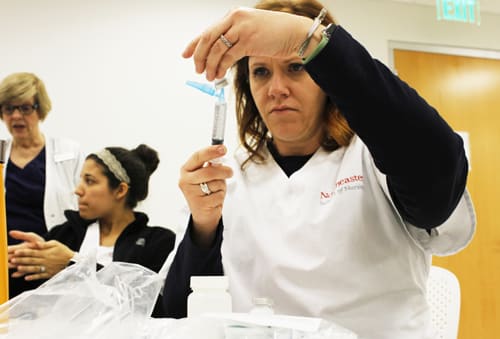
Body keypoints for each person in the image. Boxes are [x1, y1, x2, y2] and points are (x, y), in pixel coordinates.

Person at [162, 1, 476, 338]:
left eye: (297, 67)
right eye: (261, 72)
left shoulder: (376, 156)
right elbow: (179, 314)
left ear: (329, 75)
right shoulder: (228, 177)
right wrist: (204, 229)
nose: (276, 89)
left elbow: (438, 175)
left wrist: (309, 38)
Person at [8, 144, 176, 317]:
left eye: (90, 181)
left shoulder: (158, 242)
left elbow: (153, 305)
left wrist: (72, 264)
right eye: (81, 180)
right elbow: (19, 298)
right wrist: (24, 260)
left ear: (120, 190)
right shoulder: (64, 235)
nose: (78, 190)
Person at [0, 72, 85, 298]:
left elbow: (84, 210)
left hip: (49, 265)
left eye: (25, 108)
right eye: (9, 109)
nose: (16, 116)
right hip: (3, 267)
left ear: (40, 110)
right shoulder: (1, 154)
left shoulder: (69, 152)